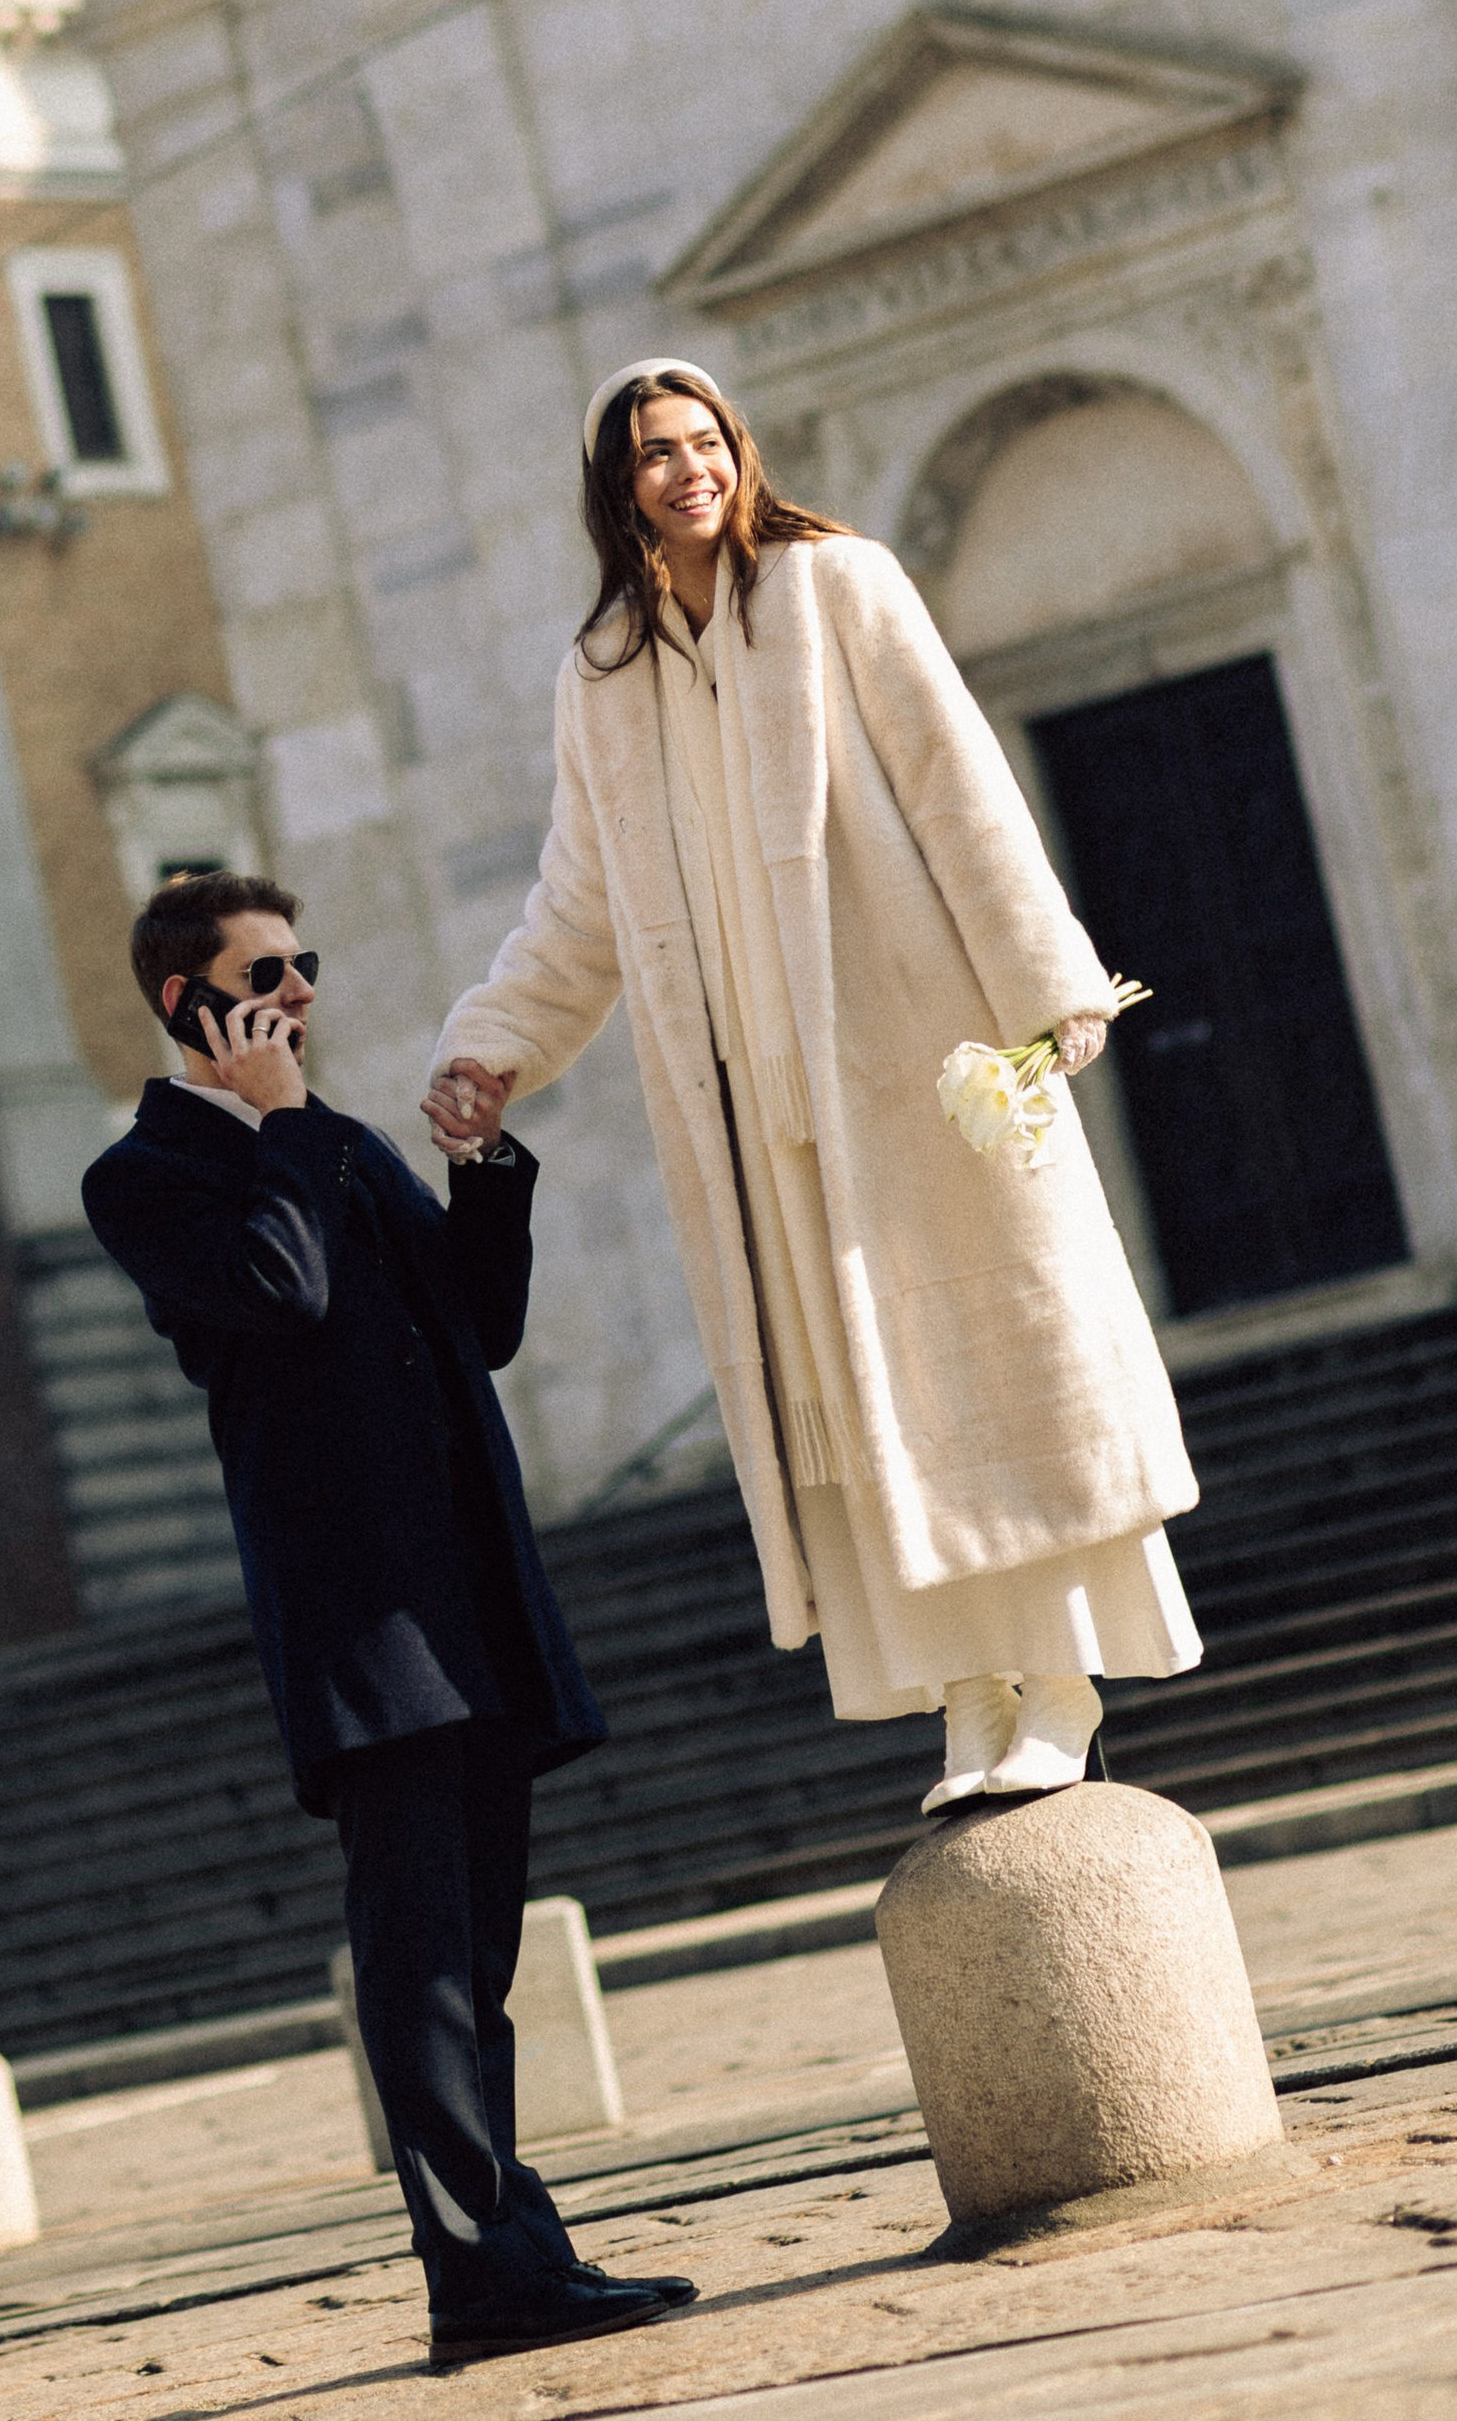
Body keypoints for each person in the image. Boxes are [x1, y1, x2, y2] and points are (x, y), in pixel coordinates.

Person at [423, 361, 1202, 1817]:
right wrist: (492, 1045)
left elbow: (954, 779)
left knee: (990, 1372)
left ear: (739, 450)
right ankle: (966, 1694)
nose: (685, 471)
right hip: (750, 1118)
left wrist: (1048, 988)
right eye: (652, 454)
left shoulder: (841, 586)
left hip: (908, 1064)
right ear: (615, 485)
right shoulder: (604, 675)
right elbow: (578, 909)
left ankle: (1058, 1679)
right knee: (855, 1407)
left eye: (703, 442)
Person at [84, 870, 695, 2364]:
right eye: (266, 973)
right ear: (189, 1004)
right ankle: (482, 2279)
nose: (298, 993)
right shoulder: (150, 1176)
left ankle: (513, 2259)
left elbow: (477, 1328)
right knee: (417, 1968)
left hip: (470, 1601)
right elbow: (276, 1294)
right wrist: (284, 1120)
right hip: (364, 1625)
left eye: (305, 964)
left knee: (473, 1963)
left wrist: (482, 1171)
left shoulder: (347, 1148)